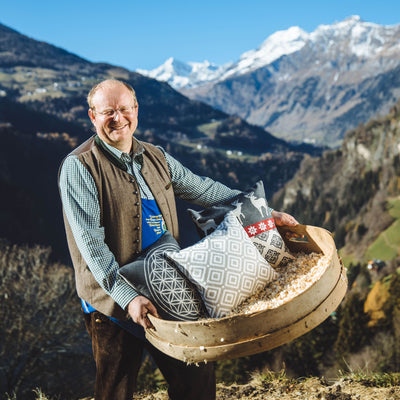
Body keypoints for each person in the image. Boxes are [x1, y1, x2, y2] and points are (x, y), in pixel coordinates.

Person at [58, 79, 299, 400]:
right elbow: (93, 248)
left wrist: (263, 212)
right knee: (116, 390)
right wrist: (128, 298)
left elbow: (205, 190)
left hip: (167, 288)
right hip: (112, 302)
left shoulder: (155, 156)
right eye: (108, 112)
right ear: (92, 116)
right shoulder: (79, 167)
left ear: (136, 110)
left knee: (196, 383)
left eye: (124, 109)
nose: (118, 118)